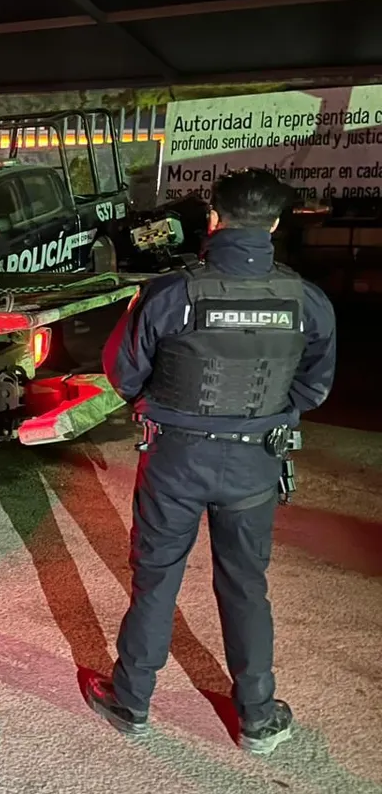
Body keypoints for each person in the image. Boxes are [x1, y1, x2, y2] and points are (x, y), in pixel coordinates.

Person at [88, 168, 336, 754]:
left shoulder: (171, 293)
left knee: (156, 579)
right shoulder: (307, 300)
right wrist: (264, 420)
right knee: (246, 584)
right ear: (275, 224)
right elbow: (315, 387)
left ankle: (132, 699)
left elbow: (123, 374)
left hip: (176, 458)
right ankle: (256, 714)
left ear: (213, 219)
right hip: (255, 463)